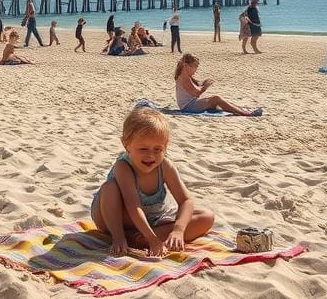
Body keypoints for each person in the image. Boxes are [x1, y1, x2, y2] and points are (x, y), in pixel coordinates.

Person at [91, 107, 215, 257]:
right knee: (109, 188)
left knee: (206, 217)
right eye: (143, 149)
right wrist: (153, 240)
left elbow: (186, 200)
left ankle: (138, 239)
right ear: (126, 144)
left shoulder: (165, 166)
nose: (151, 156)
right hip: (114, 219)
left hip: (152, 219)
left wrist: (178, 230)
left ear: (166, 146)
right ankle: (120, 237)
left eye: (158, 149)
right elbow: (133, 206)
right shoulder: (123, 166)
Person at [175, 54, 262, 115]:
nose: (196, 70)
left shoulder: (185, 75)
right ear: (187, 66)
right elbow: (196, 93)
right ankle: (243, 113)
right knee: (216, 98)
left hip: (190, 104)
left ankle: (241, 110)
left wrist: (203, 84)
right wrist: (205, 86)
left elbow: (193, 88)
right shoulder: (184, 76)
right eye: (195, 67)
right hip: (188, 107)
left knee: (217, 101)